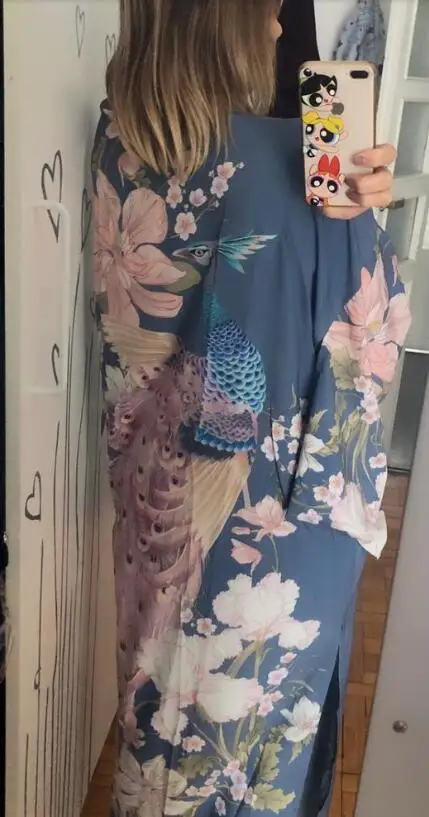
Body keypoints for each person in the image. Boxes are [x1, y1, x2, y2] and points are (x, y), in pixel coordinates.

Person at [92, 2, 410, 815]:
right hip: (266, 520)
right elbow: (367, 328)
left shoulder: (127, 133)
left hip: (181, 511)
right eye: (265, 8)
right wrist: (356, 233)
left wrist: (348, 217)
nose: (276, 27)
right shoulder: (268, 172)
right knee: (236, 752)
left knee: (173, 726)